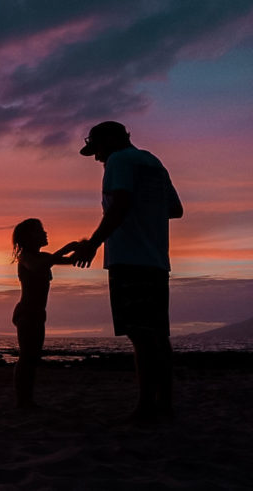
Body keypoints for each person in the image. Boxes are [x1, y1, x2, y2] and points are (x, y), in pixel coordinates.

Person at [73, 121, 183, 422]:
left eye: (98, 150)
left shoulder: (119, 160)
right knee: (158, 336)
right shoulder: (153, 162)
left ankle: (147, 407)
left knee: (141, 336)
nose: (98, 158)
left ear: (110, 141)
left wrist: (93, 243)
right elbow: (175, 209)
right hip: (157, 260)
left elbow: (120, 204)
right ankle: (165, 405)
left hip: (129, 259)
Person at [11, 219, 78, 410]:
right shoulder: (25, 257)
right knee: (27, 357)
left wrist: (84, 247)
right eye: (40, 231)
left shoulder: (44, 256)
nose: (45, 233)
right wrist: (64, 250)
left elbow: (68, 261)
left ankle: (27, 400)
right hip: (27, 313)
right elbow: (39, 266)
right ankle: (22, 401)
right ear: (29, 237)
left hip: (38, 314)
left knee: (32, 358)